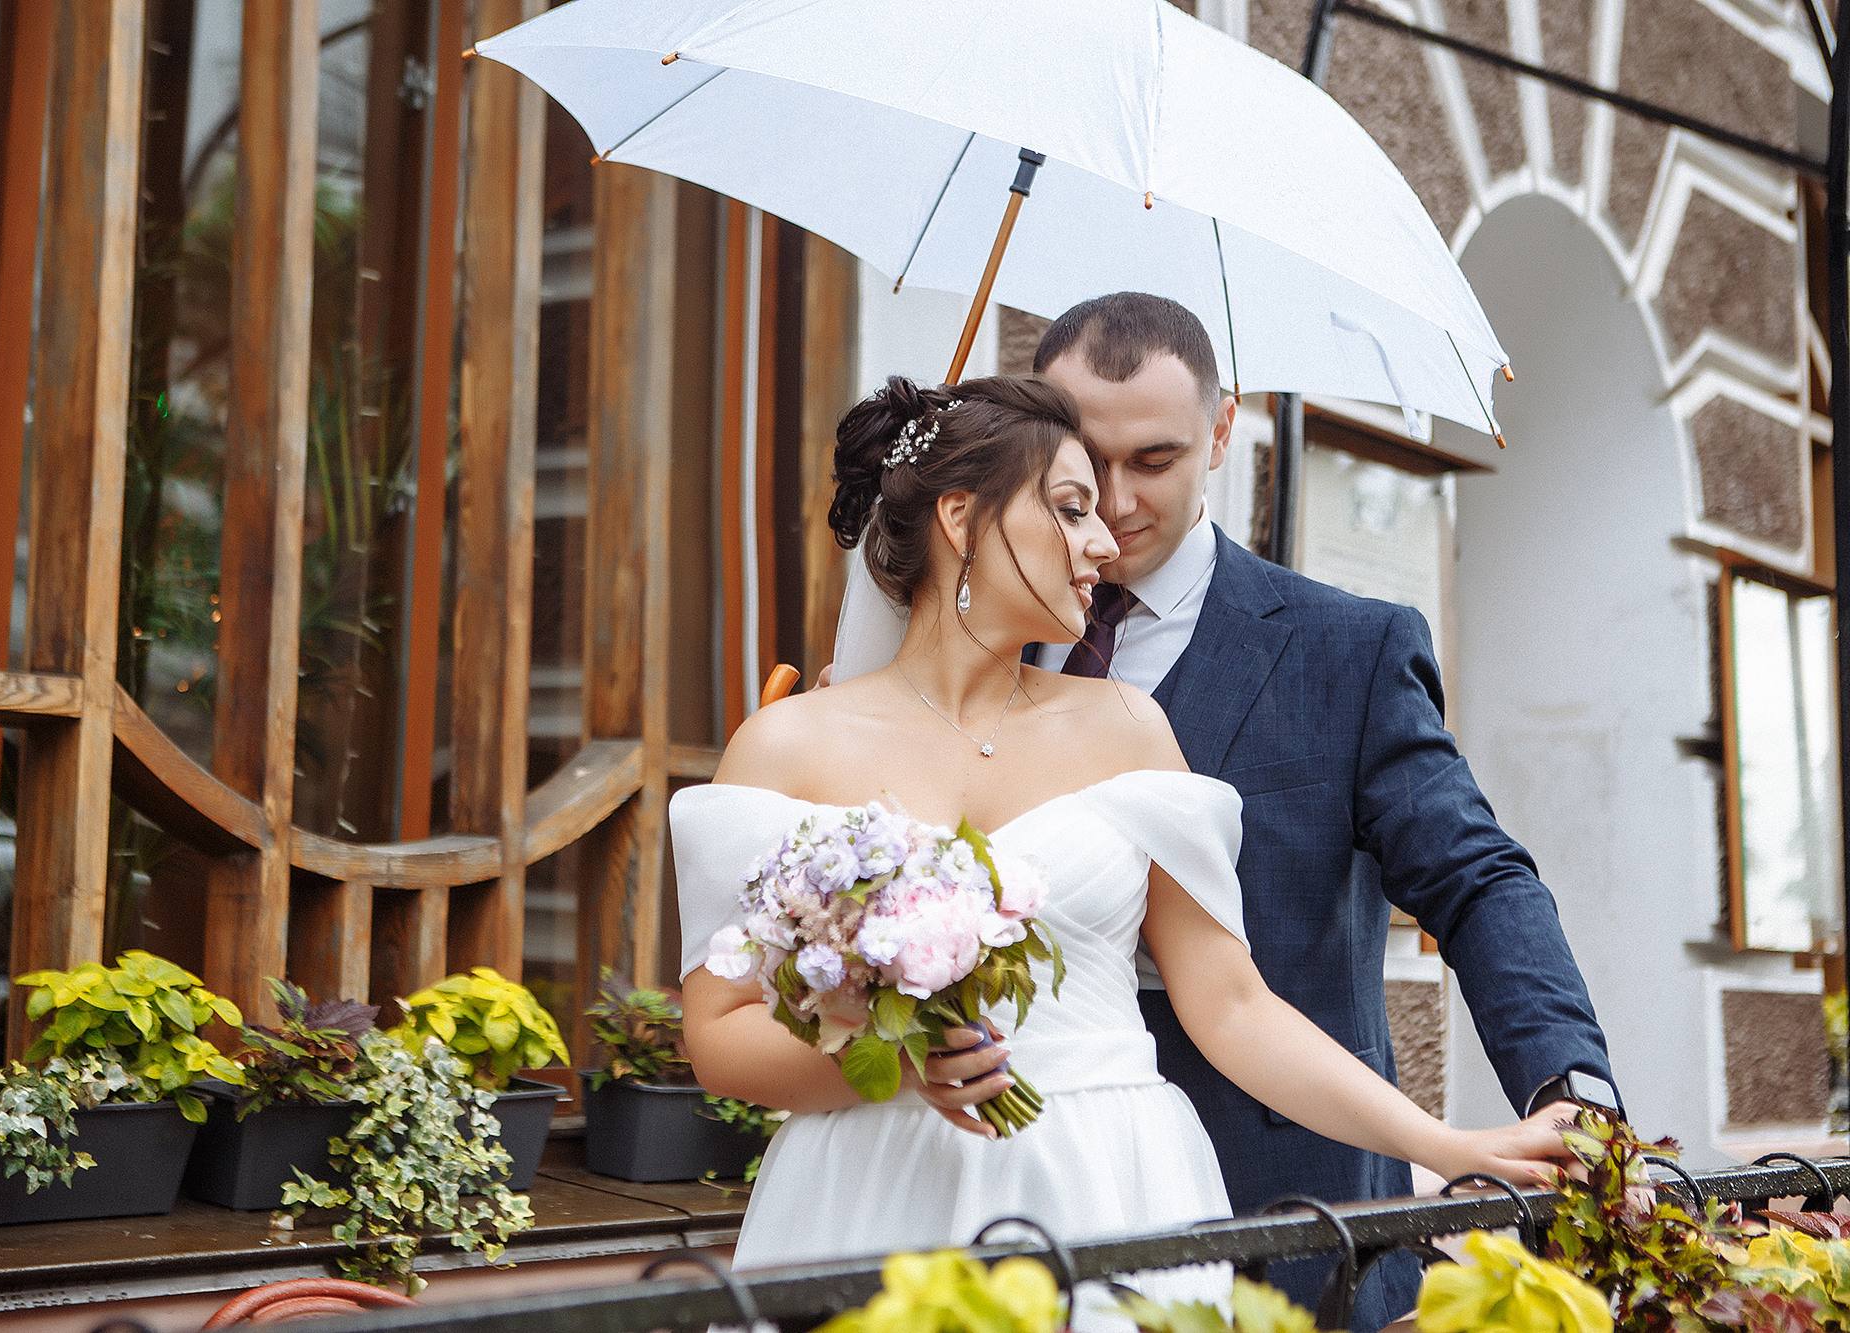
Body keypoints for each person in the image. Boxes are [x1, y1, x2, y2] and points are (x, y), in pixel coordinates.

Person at [672, 374, 1577, 1326]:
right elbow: (721, 1034)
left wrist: (1443, 1144)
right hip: (868, 1192)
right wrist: (898, 1062)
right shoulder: (787, 745)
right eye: (1070, 508)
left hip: (1109, 1181)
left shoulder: (1129, 728)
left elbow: (1233, 1005)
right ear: (957, 516)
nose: (1105, 541)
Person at [1026, 293, 1617, 1328]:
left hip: (1290, 1212)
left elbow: (1476, 880)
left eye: (1154, 460)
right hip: (1019, 1195)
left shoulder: (1348, 650)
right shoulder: (983, 636)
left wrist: (1564, 1085)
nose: (1114, 500)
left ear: (1221, 430)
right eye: (1086, 455)